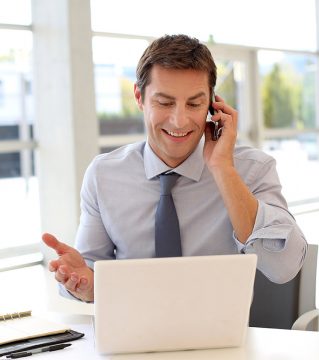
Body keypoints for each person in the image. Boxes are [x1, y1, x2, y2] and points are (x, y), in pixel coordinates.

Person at [42, 34, 307, 303]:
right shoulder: (103, 175)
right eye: (165, 102)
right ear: (139, 97)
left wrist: (223, 170)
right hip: (133, 337)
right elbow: (92, 277)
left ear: (212, 106)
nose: (179, 121)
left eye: (194, 104)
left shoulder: (253, 170)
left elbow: (284, 269)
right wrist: (84, 284)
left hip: (223, 340)